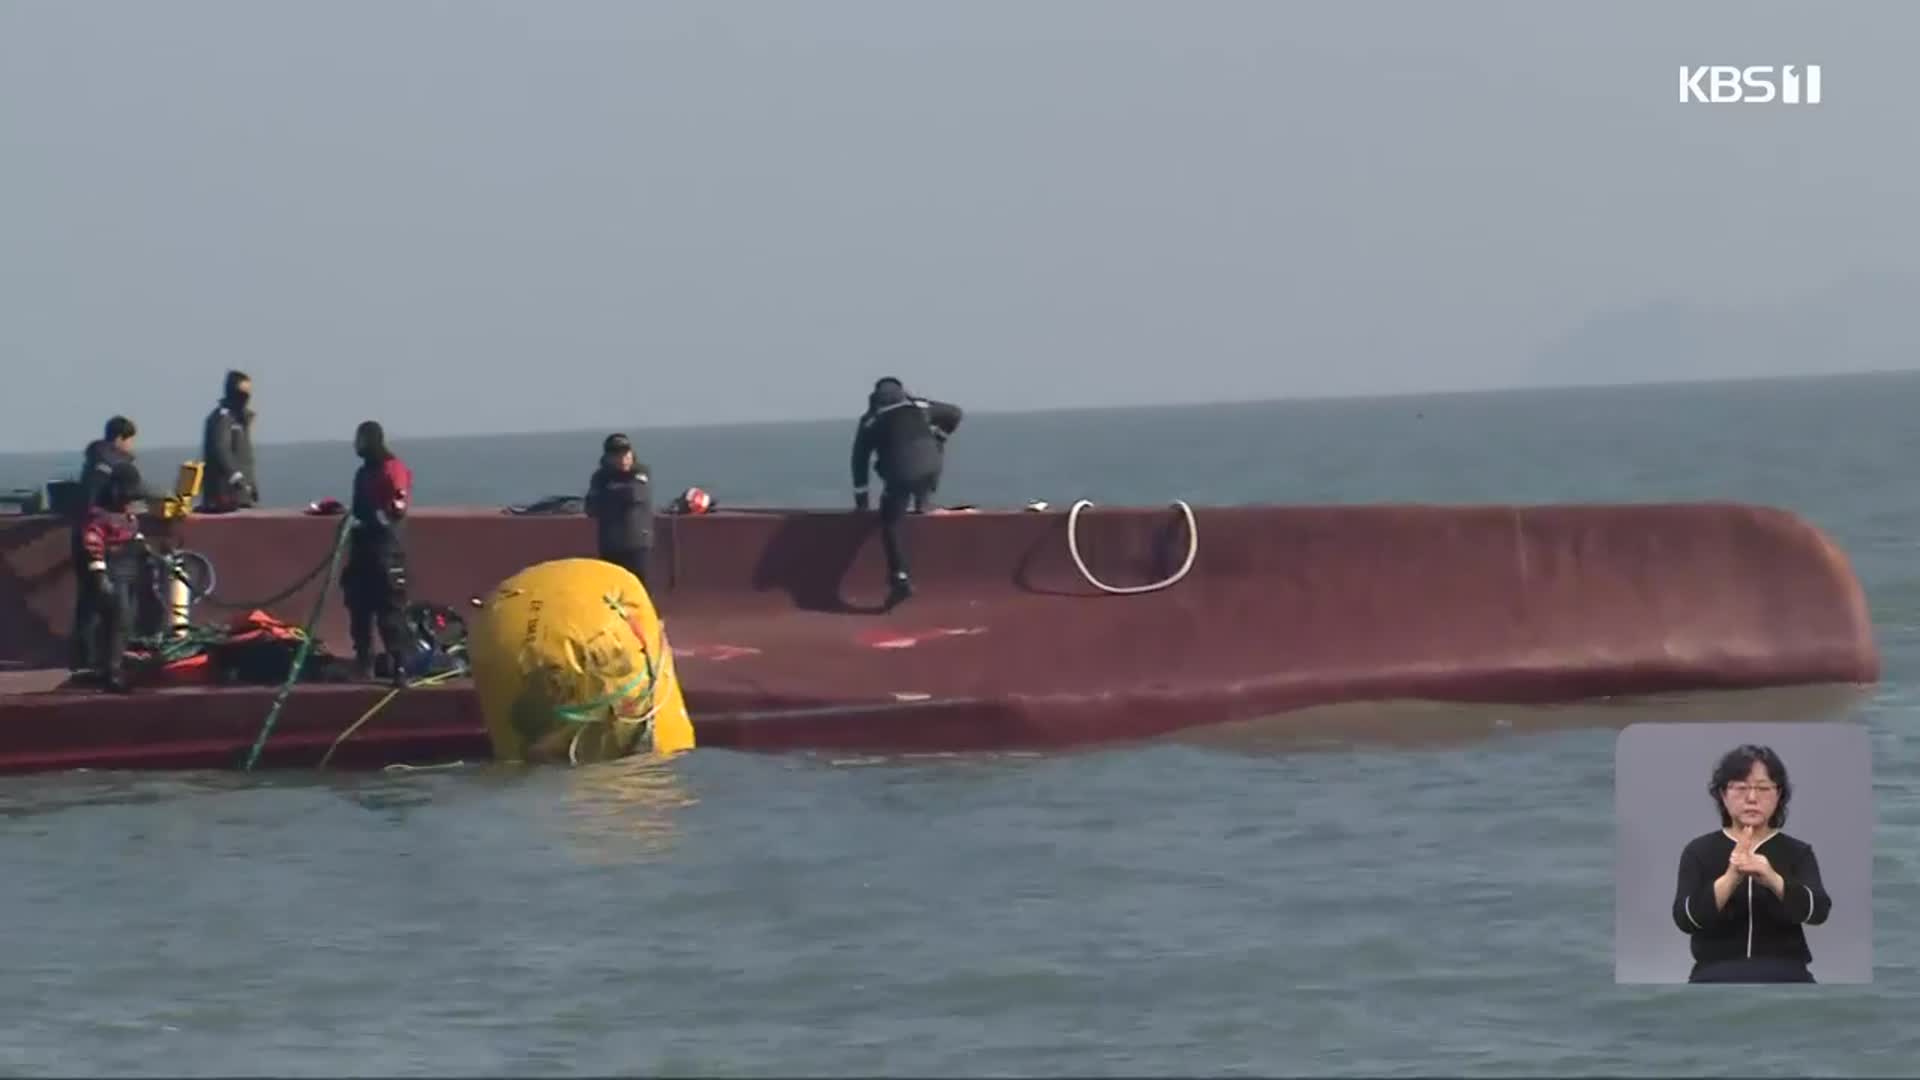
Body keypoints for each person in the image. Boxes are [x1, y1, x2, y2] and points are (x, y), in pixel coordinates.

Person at [1671, 744, 1832, 983]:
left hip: (1786, 972)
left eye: (1763, 788)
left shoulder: (1798, 851)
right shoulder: (1698, 851)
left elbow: (1817, 912)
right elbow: (1686, 919)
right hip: (1715, 973)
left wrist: (1772, 879)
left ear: (1778, 795)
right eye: (1741, 788)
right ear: (1723, 795)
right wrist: (1730, 877)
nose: (1752, 798)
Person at [849, 377, 962, 609]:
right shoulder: (920, 406)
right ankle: (923, 503)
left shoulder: (871, 420)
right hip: (931, 467)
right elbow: (955, 413)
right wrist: (941, 435)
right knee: (926, 453)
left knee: (891, 521)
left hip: (900, 472)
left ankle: (900, 576)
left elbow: (859, 461)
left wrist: (862, 502)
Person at [342, 420, 414, 686]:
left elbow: (398, 505)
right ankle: (364, 662)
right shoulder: (363, 473)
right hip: (362, 549)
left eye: (359, 439)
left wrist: (376, 518)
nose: (356, 445)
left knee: (390, 611)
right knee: (358, 606)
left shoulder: (391, 468)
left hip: (385, 549)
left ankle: (400, 667)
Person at [67, 416, 139, 672]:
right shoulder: (107, 466)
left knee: (90, 603)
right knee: (98, 602)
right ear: (120, 439)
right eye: (131, 440)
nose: (132, 447)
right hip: (95, 541)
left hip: (90, 538)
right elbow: (93, 505)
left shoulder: (97, 461)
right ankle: (91, 659)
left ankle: (88, 657)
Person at [74, 459, 149, 692]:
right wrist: (99, 575)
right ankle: (111, 670)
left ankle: (113, 664)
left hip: (128, 573)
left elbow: (133, 536)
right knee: (117, 620)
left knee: (126, 621)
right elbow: (93, 543)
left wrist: (143, 550)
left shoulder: (127, 516)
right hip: (113, 572)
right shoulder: (99, 517)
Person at [585, 433, 653, 590]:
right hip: (610, 544)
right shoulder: (600, 477)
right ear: (608, 457)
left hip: (637, 543)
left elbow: (635, 494)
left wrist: (608, 494)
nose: (623, 459)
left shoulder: (640, 471)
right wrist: (615, 495)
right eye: (617, 455)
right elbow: (591, 507)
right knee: (612, 589)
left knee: (638, 588)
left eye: (626, 454)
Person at [199, 369, 258, 512]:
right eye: (243, 393)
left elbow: (244, 456)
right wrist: (236, 478)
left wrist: (251, 484)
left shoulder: (240, 418)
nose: (246, 398)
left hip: (242, 495)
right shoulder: (223, 418)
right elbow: (221, 449)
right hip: (227, 496)